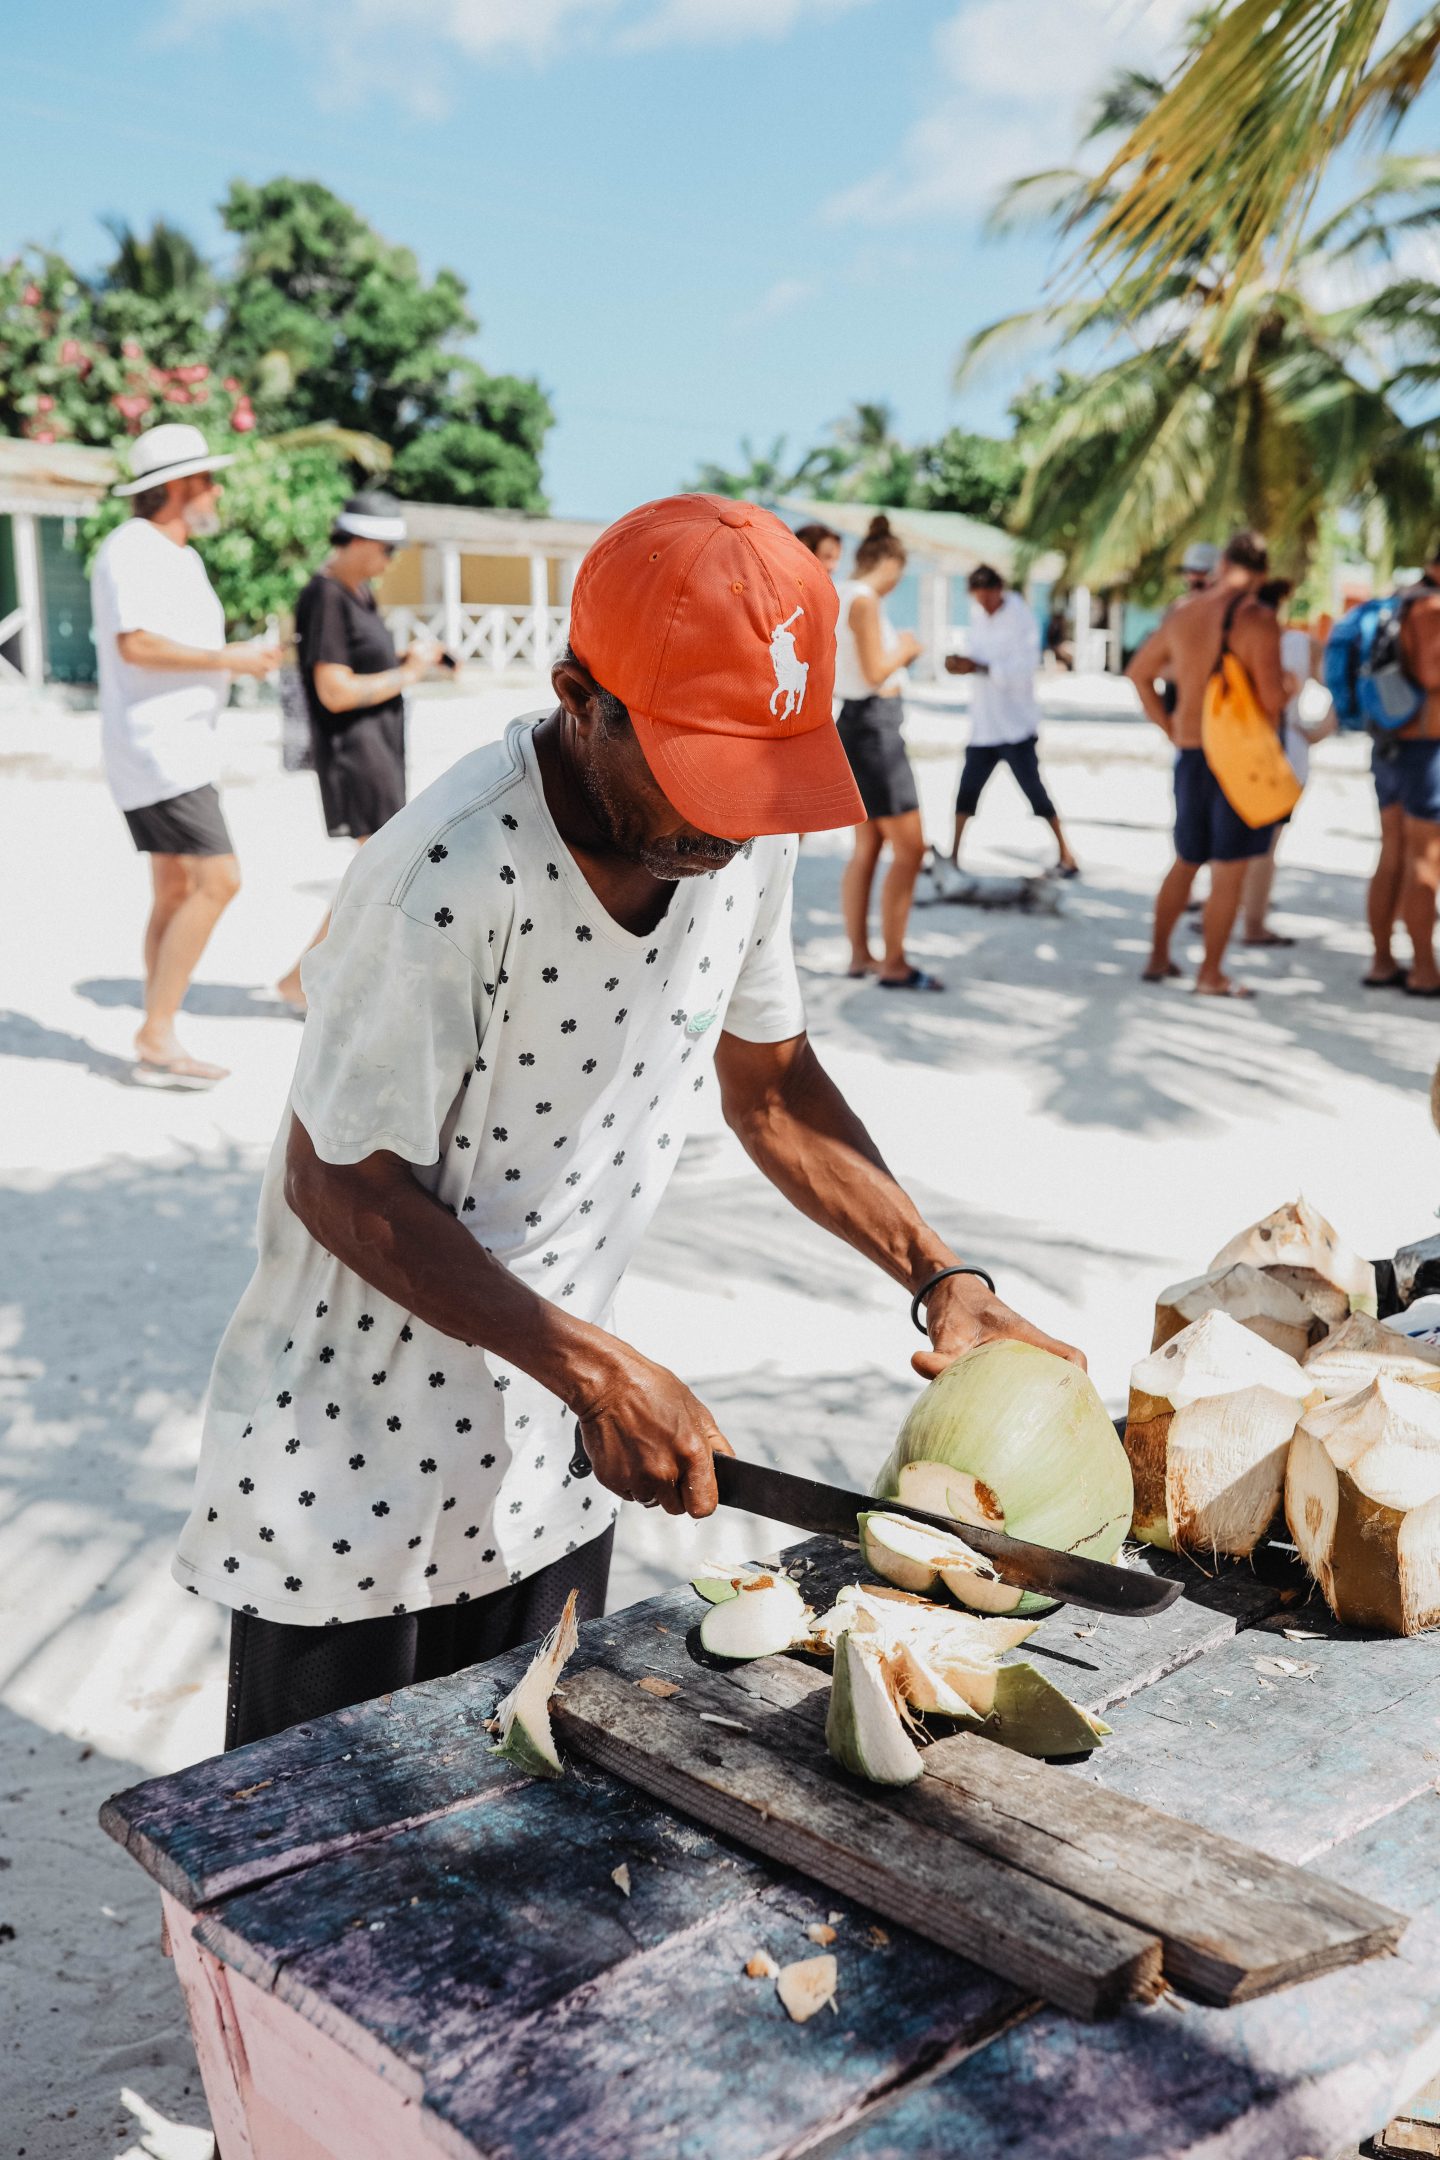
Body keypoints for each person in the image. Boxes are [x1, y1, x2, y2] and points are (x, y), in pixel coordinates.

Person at [171, 494, 1079, 1750]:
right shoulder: (445, 877)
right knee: (309, 1881)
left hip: (563, 1452)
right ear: (577, 698)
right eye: (696, 765)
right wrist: (598, 1369)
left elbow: (770, 1082)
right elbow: (346, 1188)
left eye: (756, 774)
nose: (727, 819)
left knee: (521, 1829)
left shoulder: (741, 835)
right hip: (348, 1475)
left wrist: (941, 1276)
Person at [91, 421, 282, 1087]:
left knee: (175, 889)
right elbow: (135, 645)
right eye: (208, 478)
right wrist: (228, 657)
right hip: (158, 750)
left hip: (180, 747)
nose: (217, 490)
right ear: (176, 487)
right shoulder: (132, 547)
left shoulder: (180, 557)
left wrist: (235, 662)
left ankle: (155, 1030)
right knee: (219, 879)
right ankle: (157, 1033)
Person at [275, 493, 442, 1011]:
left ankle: (310, 979)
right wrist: (407, 674)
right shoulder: (324, 594)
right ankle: (308, 979)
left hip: (380, 746)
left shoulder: (359, 593)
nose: (390, 561)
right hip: (353, 750)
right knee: (385, 865)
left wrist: (406, 659)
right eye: (388, 549)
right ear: (361, 539)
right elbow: (334, 689)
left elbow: (359, 660)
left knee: (382, 865)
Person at [1125, 530, 1286, 998]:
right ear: (1262, 572)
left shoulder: (1184, 612)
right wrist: (1291, 686)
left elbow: (1139, 674)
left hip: (1191, 751)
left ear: (1221, 565)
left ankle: (1158, 957)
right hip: (1237, 758)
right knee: (1229, 869)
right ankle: (1210, 974)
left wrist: (1170, 726)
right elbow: (1272, 701)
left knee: (1186, 858)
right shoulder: (1257, 619)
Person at [832, 515, 938, 988]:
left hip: (854, 724)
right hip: (875, 726)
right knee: (911, 848)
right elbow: (877, 670)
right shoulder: (864, 599)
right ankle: (894, 962)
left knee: (868, 847)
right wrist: (909, 649)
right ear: (891, 564)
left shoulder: (838, 593)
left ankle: (861, 954)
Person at [943, 567, 1078, 879]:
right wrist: (963, 664)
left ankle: (1067, 854)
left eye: (988, 597)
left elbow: (1023, 668)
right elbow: (978, 659)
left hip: (1016, 724)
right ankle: (953, 856)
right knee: (966, 792)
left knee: (1034, 791)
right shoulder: (979, 618)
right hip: (984, 724)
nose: (985, 604)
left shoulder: (1021, 618)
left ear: (999, 589)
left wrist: (980, 666)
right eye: (979, 599)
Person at [1240, 582, 1336, 948]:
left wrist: (1318, 731)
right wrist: (1319, 731)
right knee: (1264, 844)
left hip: (1248, 750)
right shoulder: (1299, 644)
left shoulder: (1234, 638)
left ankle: (1238, 912)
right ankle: (1251, 921)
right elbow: (1340, 688)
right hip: (1284, 750)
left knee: (1245, 839)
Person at [1392, 546, 1440, 995]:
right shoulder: (1428, 606)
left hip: (1413, 744)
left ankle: (1392, 961)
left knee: (1407, 855)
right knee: (1422, 862)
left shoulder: (1410, 603)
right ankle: (1424, 969)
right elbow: (1430, 673)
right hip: (1427, 745)